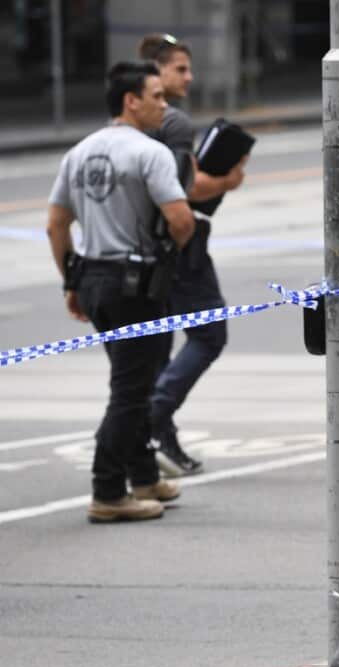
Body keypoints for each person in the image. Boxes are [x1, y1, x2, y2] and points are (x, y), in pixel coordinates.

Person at [46, 61, 195, 523]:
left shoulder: (79, 152)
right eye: (156, 97)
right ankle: (108, 490)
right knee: (132, 389)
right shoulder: (149, 153)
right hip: (135, 284)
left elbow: (55, 224)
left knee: (135, 377)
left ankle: (144, 475)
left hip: (93, 279)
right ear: (131, 101)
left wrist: (72, 281)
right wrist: (172, 250)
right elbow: (180, 218)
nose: (164, 105)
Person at [138, 33, 248, 476]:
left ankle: (158, 439)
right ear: (158, 72)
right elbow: (186, 186)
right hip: (182, 240)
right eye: (180, 69)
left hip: (145, 244)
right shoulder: (174, 122)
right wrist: (226, 181)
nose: (189, 76)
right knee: (209, 334)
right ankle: (154, 417)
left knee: (161, 343)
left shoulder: (134, 123)